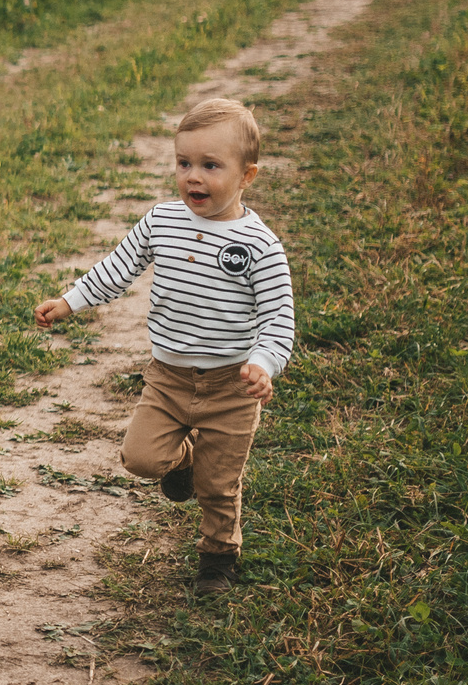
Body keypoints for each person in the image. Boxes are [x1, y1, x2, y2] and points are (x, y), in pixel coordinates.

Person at [36, 96, 294, 597]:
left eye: (210, 166)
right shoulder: (162, 221)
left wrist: (263, 363)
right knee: (139, 458)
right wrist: (70, 301)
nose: (193, 176)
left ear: (247, 176)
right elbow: (117, 268)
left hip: (231, 387)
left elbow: (278, 318)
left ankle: (218, 557)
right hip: (168, 377)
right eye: (183, 163)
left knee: (219, 485)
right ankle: (184, 461)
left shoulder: (260, 245)